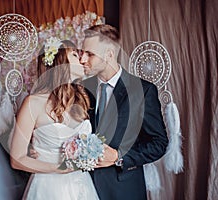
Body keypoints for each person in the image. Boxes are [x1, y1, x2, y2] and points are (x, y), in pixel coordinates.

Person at [80, 24, 169, 200]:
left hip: (123, 190)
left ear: (109, 54)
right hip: (84, 187)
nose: (82, 59)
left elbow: (159, 143)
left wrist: (118, 157)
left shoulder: (143, 91)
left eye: (89, 54)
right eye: (82, 53)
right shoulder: (82, 89)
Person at [10, 38, 99, 200]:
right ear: (60, 63)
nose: (81, 59)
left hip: (81, 185)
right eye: (74, 55)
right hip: (49, 187)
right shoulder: (33, 103)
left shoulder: (81, 99)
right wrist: (57, 168)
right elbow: (16, 159)